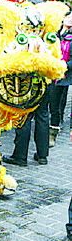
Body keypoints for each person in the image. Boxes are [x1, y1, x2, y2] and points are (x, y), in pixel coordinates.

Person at [48, 8, 72, 147]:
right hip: (49, 73)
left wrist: (62, 65)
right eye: (68, 16)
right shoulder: (54, 35)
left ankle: (53, 133)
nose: (70, 19)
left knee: (57, 105)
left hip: (63, 75)